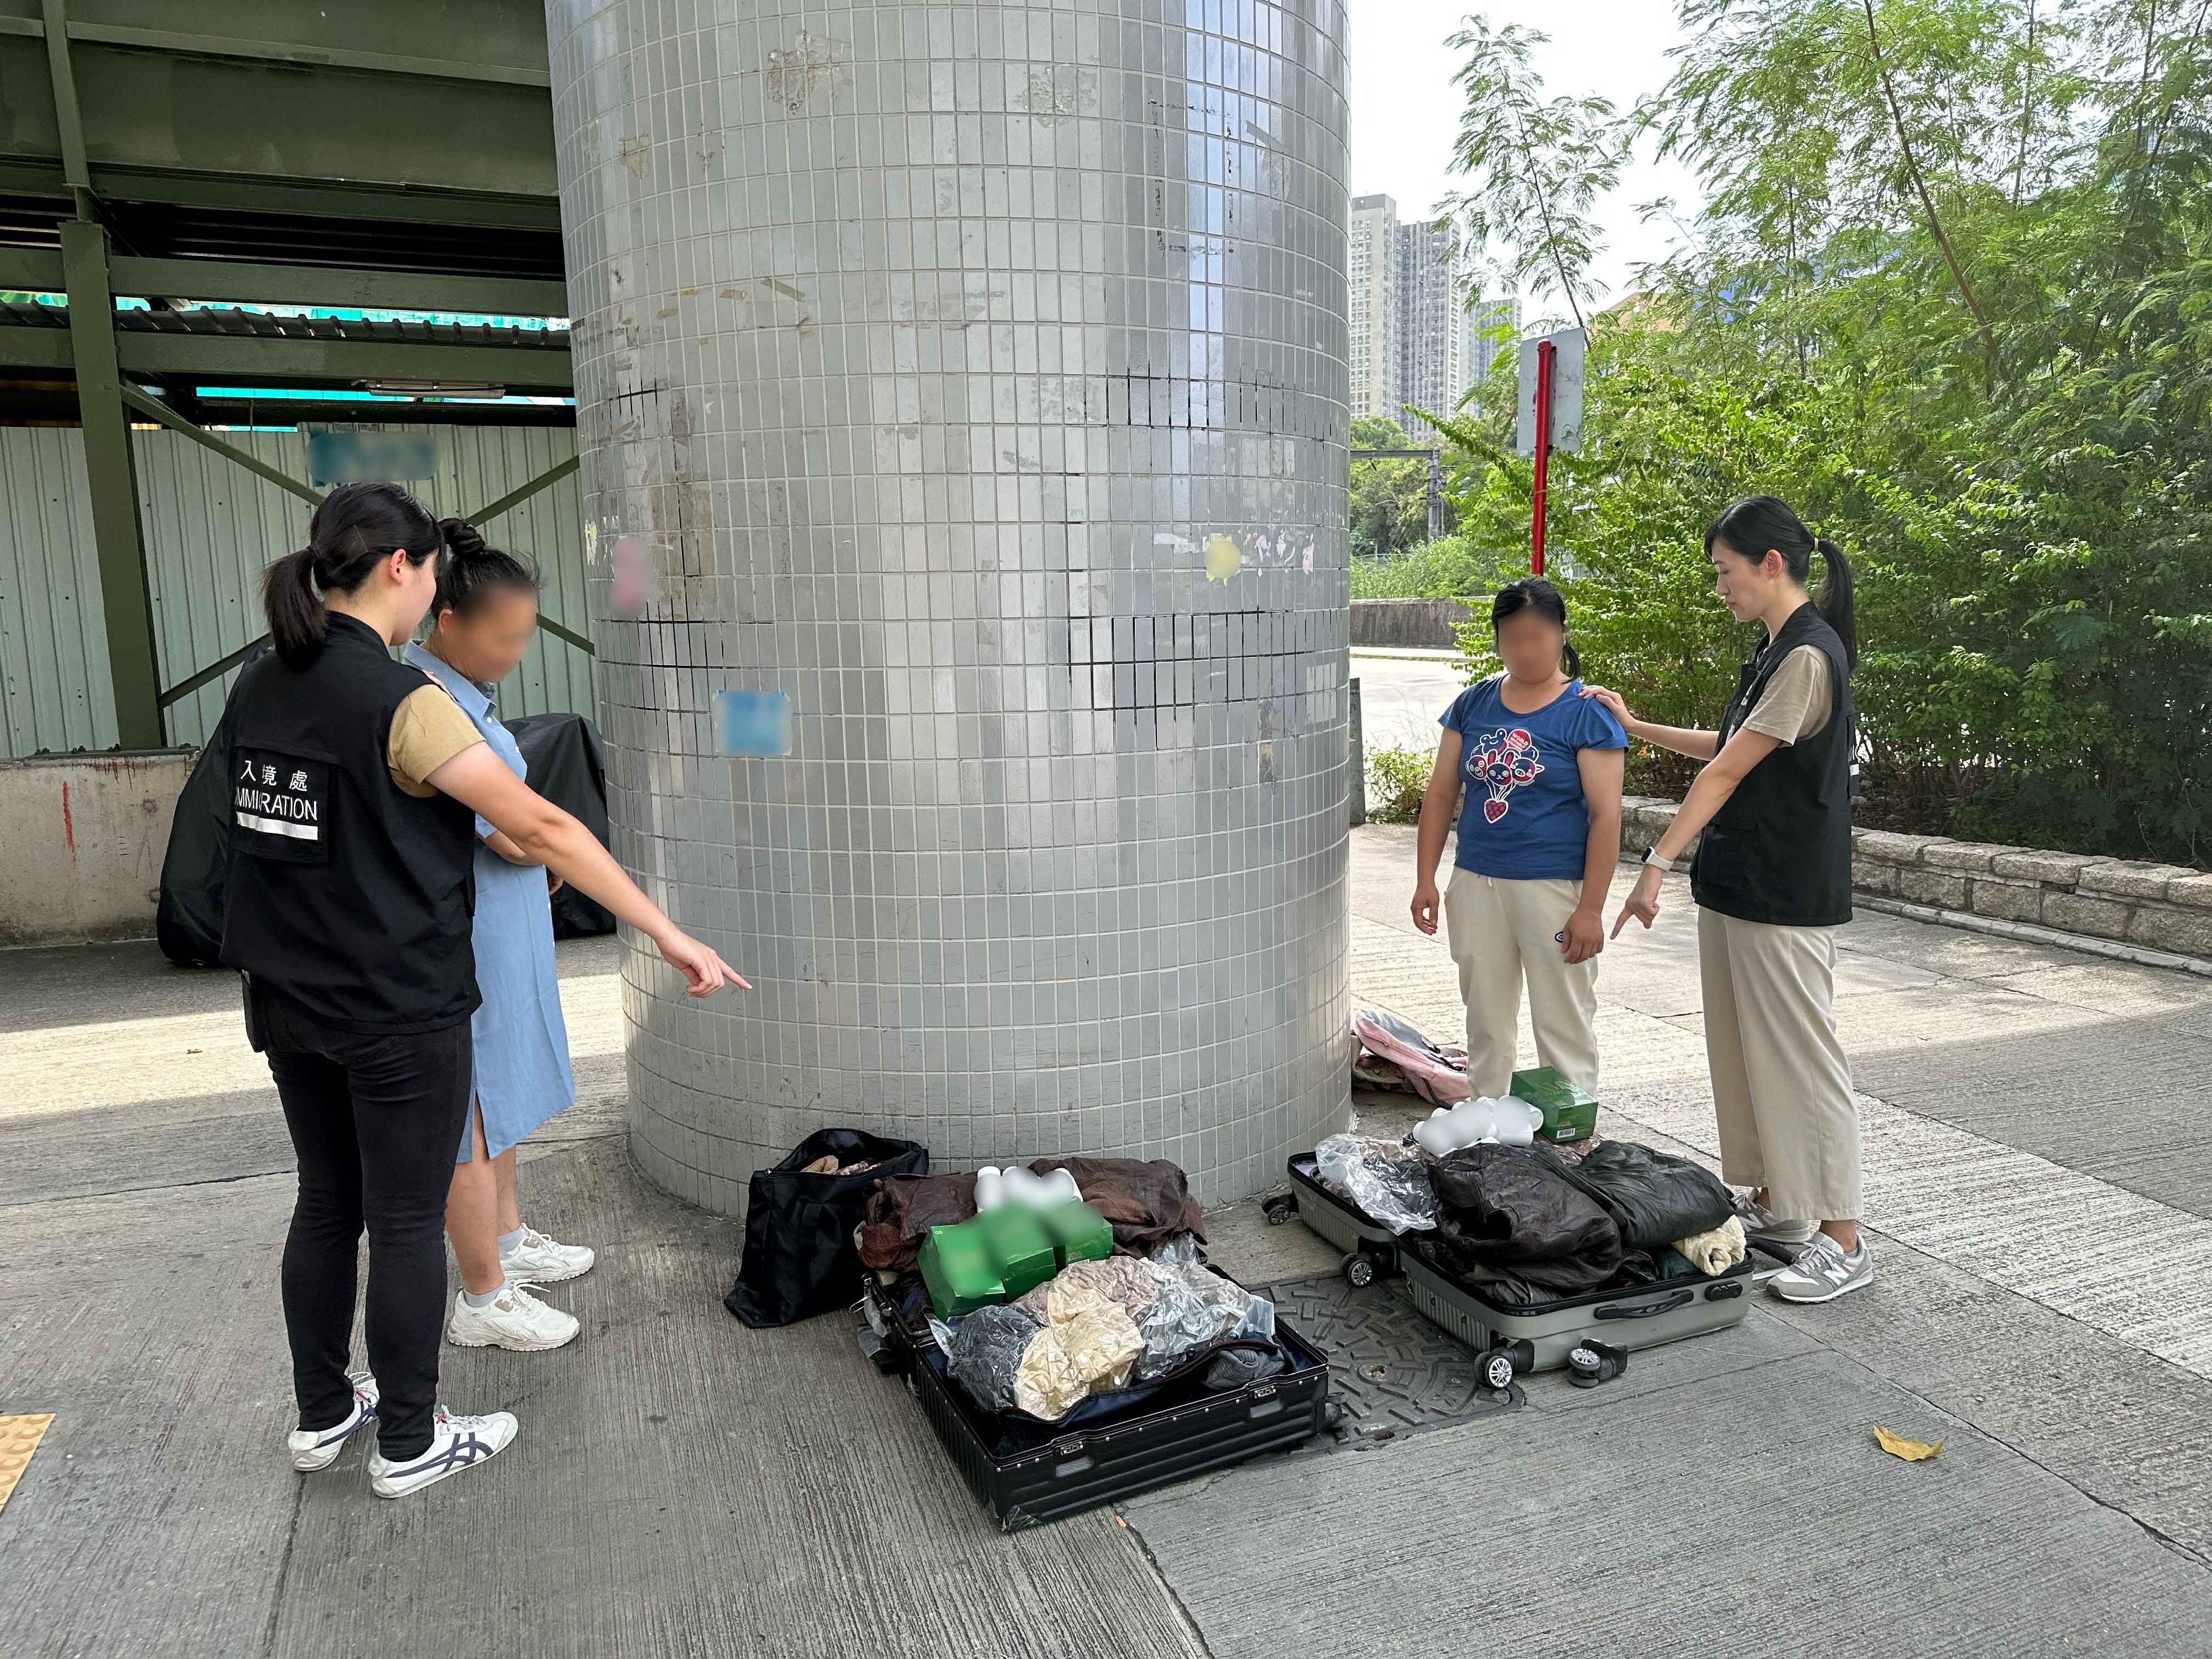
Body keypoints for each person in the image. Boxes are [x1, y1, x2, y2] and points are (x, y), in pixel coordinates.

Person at [223, 482, 745, 1499]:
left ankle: (327, 1414)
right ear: (399, 572)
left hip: (288, 993)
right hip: (393, 1004)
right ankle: (412, 1441)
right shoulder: (400, 702)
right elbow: (541, 828)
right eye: (426, 577)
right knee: (410, 1217)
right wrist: (670, 932)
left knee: (329, 1204)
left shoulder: (260, 682)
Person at [1585, 494, 1869, 1304]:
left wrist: (1655, 864)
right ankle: (1783, 1205)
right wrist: (1637, 726)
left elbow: (1729, 772)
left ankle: (1844, 1239)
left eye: (1725, 572)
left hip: (1784, 893)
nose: (1721, 588)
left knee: (1800, 1063)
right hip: (1743, 884)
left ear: (1770, 564)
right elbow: (1729, 746)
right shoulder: (1775, 651)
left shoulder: (1808, 654)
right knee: (1746, 1056)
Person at [402, 524, 589, 1355]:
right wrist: (544, 848)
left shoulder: (464, 699)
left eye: (525, 633)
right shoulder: (429, 705)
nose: (516, 650)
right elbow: (504, 824)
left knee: (505, 1089)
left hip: (507, 927)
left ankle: (509, 1243)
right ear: (445, 618)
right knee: (474, 1110)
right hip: (470, 939)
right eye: (503, 634)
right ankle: (483, 1292)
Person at [1411, 578, 1626, 1100]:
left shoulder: (1586, 711)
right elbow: (1441, 794)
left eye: (1538, 636)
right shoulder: (1473, 704)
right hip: (1477, 882)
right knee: (1485, 1014)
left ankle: (1571, 1142)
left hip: (1554, 889)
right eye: (1512, 638)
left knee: (1563, 1020)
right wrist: (1426, 880)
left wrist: (1591, 908)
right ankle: (1487, 1126)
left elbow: (1606, 817)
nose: (1526, 650)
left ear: (1562, 634)